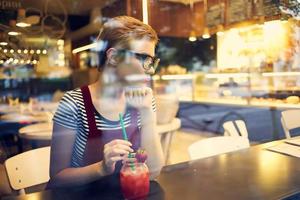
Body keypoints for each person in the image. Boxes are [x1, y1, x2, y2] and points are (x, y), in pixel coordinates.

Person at [48, 16, 164, 188]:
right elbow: (57, 178)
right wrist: (101, 168)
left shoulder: (143, 101)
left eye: (151, 61)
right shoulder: (73, 104)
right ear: (114, 57)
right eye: (144, 59)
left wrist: (147, 113)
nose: (151, 70)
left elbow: (153, 172)